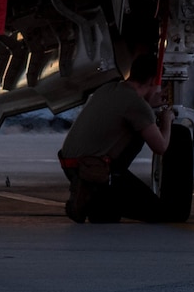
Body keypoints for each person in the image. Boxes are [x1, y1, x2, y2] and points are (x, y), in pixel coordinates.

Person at [58, 52, 173, 223]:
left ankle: (95, 199)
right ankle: (90, 196)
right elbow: (160, 147)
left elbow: (123, 111)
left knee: (108, 215)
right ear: (152, 81)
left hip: (71, 166)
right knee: (162, 213)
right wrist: (167, 120)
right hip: (93, 169)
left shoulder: (107, 89)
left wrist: (148, 105)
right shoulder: (138, 106)